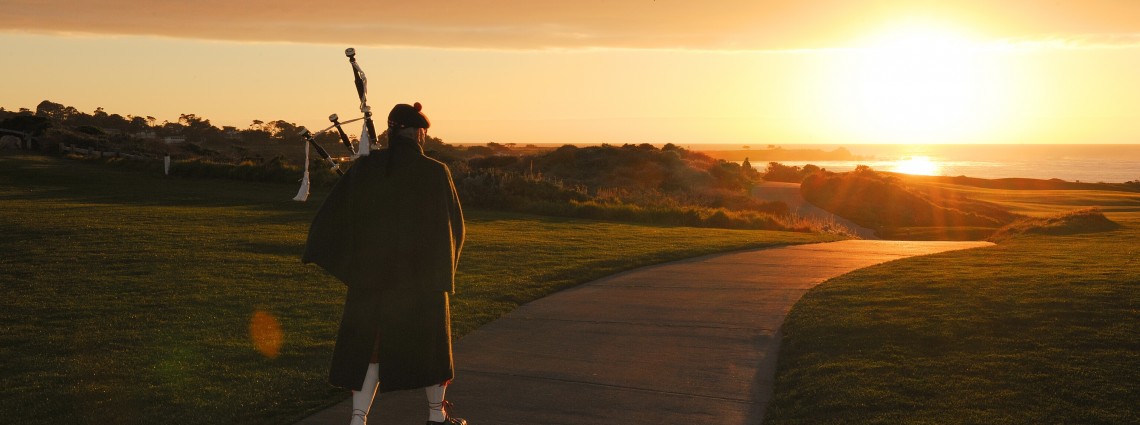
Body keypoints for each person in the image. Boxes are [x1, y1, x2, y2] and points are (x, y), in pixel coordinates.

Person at [302, 102, 467, 425]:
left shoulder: (366, 167)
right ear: (420, 133)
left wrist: (354, 267)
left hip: (371, 279)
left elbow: (333, 219)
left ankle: (358, 420)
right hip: (422, 280)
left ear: (391, 132)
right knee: (431, 351)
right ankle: (436, 417)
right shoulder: (435, 172)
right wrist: (442, 271)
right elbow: (452, 228)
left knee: (370, 349)